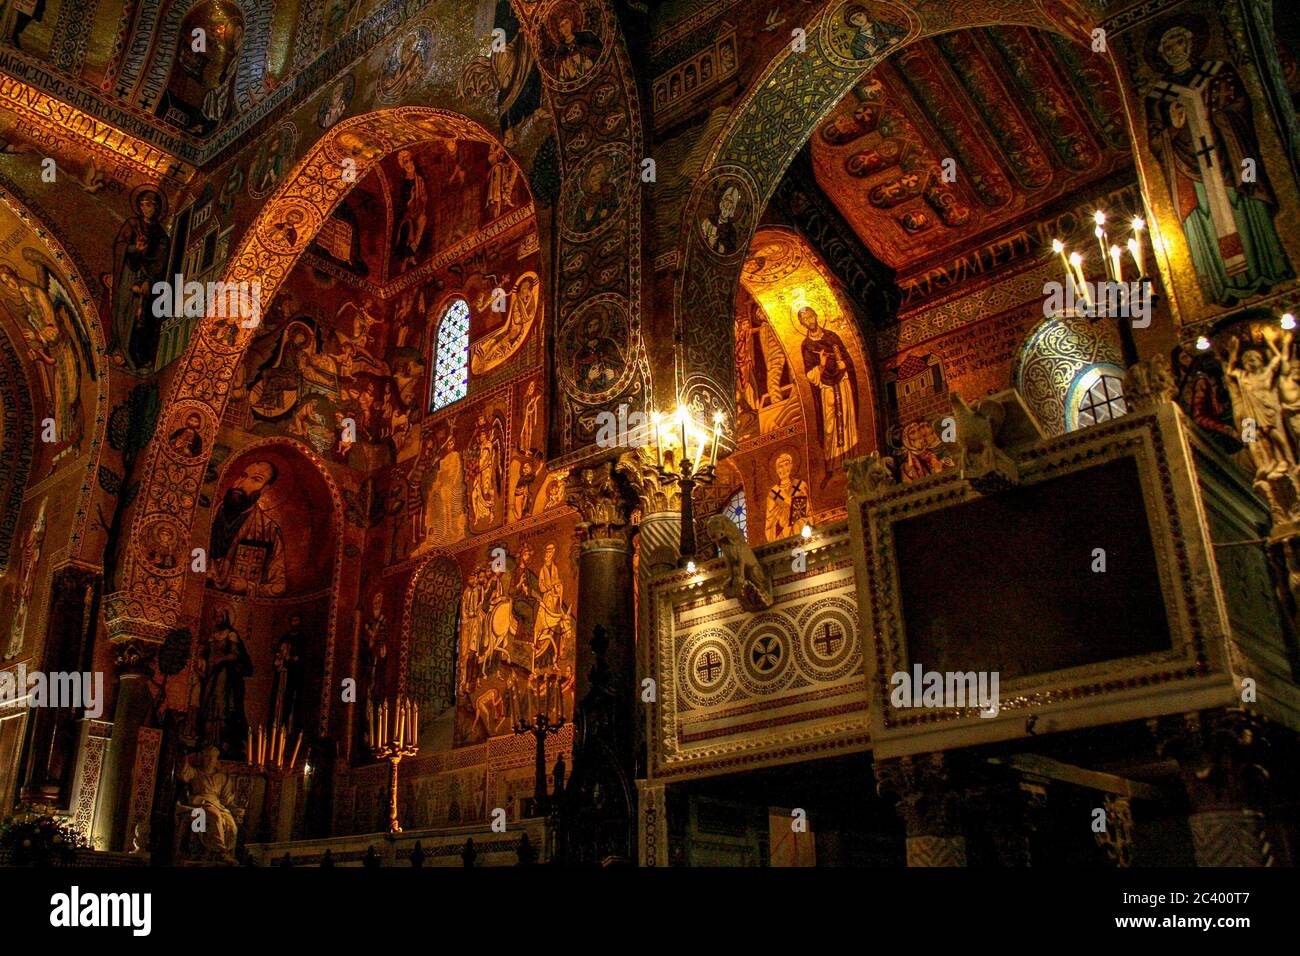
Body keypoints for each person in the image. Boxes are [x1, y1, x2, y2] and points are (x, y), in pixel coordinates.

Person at [207, 460, 287, 596]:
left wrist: (249, 587)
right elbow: (196, 546)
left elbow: (279, 586)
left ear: (265, 489)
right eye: (243, 475)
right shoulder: (208, 513)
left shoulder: (269, 530)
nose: (242, 484)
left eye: (256, 479)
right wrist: (199, 570)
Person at [764, 452, 809, 542]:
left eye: (786, 465)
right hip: (780, 533)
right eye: (780, 466)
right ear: (777, 470)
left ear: (791, 466)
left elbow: (804, 511)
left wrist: (788, 505)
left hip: (799, 530)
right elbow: (770, 521)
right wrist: (781, 517)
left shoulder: (800, 485)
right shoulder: (773, 493)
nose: (784, 469)